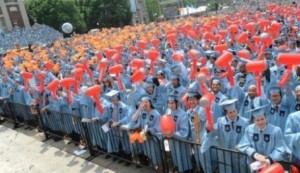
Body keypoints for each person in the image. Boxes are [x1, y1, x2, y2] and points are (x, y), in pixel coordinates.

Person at [202, 99, 249, 173]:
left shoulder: (244, 122)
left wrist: (241, 145)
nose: (233, 114)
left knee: (239, 169)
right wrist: (208, 129)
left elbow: (247, 137)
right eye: (230, 112)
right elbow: (213, 132)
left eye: (234, 111)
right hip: (224, 153)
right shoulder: (220, 121)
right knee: (226, 169)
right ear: (226, 113)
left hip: (239, 152)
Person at [128, 95, 162, 170]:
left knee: (156, 155)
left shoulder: (156, 114)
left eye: (146, 102)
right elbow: (134, 119)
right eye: (143, 102)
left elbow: (158, 127)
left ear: (150, 103)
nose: (144, 104)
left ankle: (160, 168)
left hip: (153, 139)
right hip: (145, 138)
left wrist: (149, 130)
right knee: (149, 154)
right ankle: (154, 167)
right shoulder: (143, 113)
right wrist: (139, 109)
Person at [164, 95, 192, 173]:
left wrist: (173, 134)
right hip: (172, 141)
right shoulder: (167, 112)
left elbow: (184, 131)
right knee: (175, 158)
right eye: (169, 103)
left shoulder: (183, 114)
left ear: (177, 103)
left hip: (181, 142)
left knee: (183, 158)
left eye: (172, 103)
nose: (170, 105)